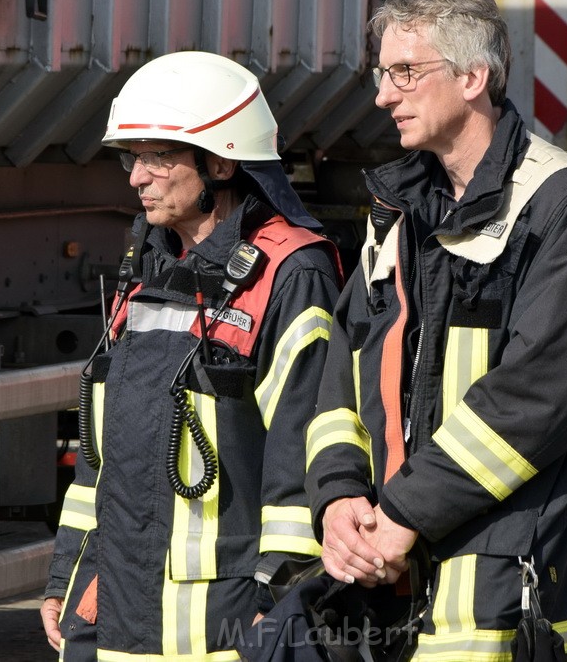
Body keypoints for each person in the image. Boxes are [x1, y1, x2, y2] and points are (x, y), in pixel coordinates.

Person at [304, 0, 567, 660]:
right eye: (381, 74)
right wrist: (337, 501)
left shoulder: (562, 205)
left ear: (473, 77)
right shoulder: (397, 207)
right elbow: (343, 371)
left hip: (493, 606)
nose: (384, 96)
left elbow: (538, 395)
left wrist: (399, 516)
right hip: (376, 594)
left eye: (405, 73)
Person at [40, 50, 342, 660]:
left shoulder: (290, 273)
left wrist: (275, 603)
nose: (135, 177)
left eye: (158, 156)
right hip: (112, 615)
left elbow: (303, 461)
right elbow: (103, 456)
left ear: (222, 162)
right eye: (133, 157)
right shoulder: (147, 266)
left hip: (226, 627)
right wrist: (65, 578)